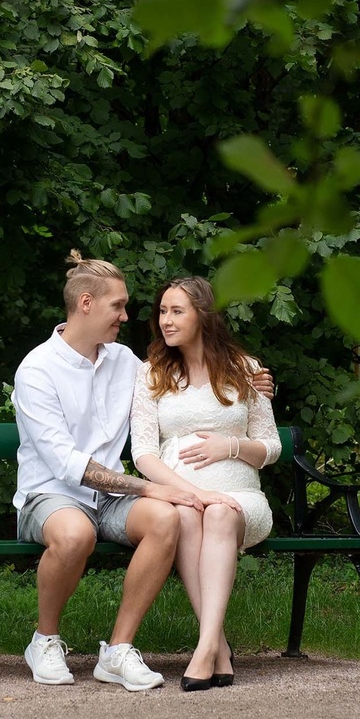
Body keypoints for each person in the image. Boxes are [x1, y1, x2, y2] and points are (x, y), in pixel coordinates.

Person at [12, 252, 273, 692]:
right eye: (118, 305)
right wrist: (152, 488)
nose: (126, 316)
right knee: (76, 534)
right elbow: (67, 464)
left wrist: (255, 384)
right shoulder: (37, 370)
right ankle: (45, 640)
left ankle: (117, 650)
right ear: (87, 303)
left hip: (112, 500)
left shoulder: (125, 363)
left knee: (167, 518)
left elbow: (183, 386)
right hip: (52, 495)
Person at [129, 276, 282, 692]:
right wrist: (194, 493)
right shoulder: (152, 373)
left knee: (218, 514)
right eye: (162, 311)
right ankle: (215, 647)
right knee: (190, 514)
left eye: (177, 311)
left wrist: (229, 446)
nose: (166, 320)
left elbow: (271, 447)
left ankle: (206, 646)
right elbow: (143, 454)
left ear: (203, 315)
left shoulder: (246, 370)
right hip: (183, 499)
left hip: (240, 499)